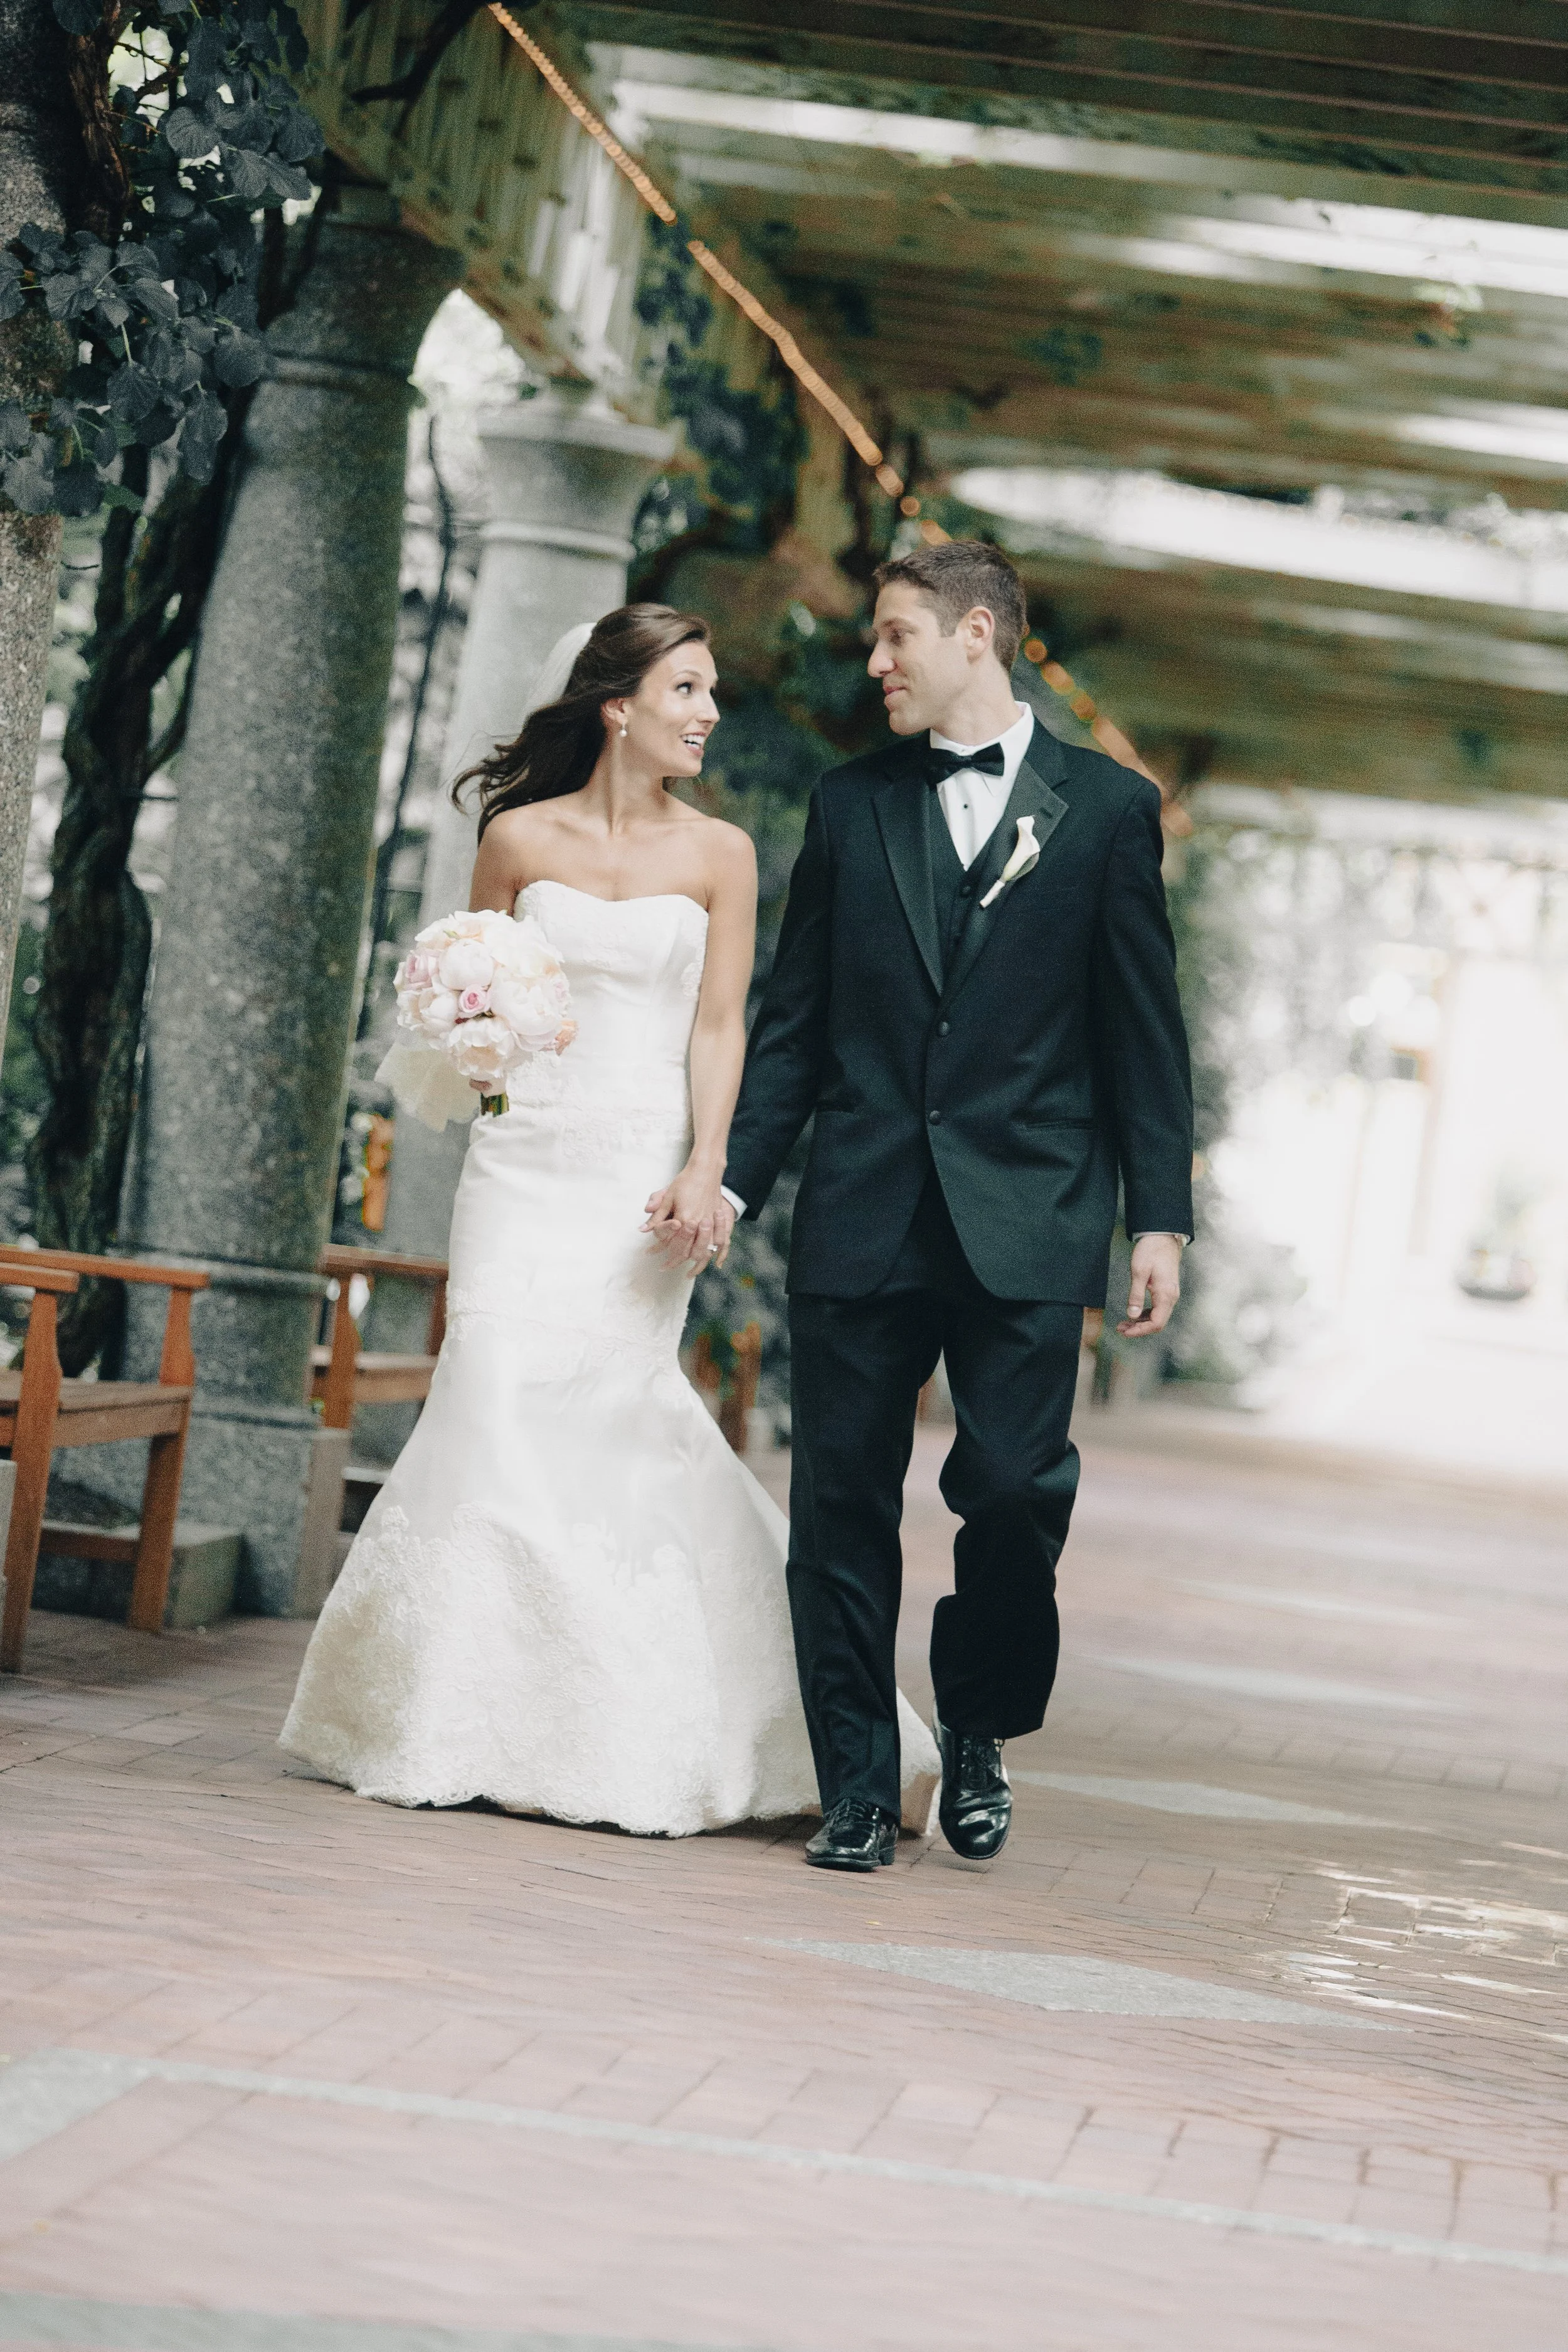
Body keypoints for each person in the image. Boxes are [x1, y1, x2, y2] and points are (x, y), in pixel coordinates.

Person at [280, 605, 938, 1838]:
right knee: (488, 1390)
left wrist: (708, 1168)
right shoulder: (517, 835)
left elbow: (721, 1023)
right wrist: (473, 1045)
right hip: (521, 1158)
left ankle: (690, 1712)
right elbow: (463, 979)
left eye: (711, 691)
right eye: (686, 689)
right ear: (617, 705)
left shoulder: (724, 855)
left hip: (638, 1171)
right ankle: (446, 1713)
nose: (707, 713)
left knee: (611, 1413)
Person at [708, 542, 1194, 1872]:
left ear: (975, 634)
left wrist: (1158, 1213)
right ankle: (860, 1783)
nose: (873, 663)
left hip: (1029, 1214)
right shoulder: (849, 803)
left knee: (1016, 1493)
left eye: (893, 638)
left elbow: (1139, 1026)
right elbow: (793, 1025)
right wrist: (733, 1175)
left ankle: (975, 1729)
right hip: (864, 1206)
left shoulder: (1103, 809)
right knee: (840, 1505)